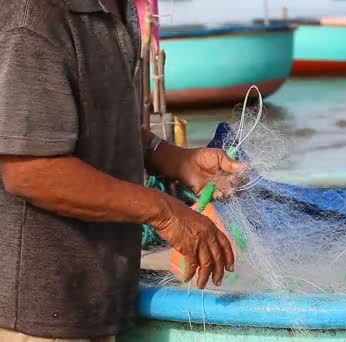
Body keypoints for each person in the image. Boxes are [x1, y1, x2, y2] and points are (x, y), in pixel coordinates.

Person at [0, 0, 244, 340]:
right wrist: (167, 214)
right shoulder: (34, 19)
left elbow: (92, 119)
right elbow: (29, 169)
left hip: (99, 302)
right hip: (37, 315)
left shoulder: (117, 8)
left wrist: (174, 158)